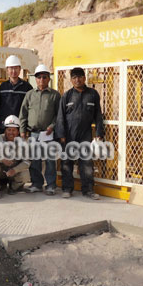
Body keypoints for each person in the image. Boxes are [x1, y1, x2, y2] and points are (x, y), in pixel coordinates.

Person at [55, 67, 104, 200]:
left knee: (87, 164)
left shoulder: (93, 94)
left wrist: (99, 133)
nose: (77, 80)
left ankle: (88, 190)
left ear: (84, 78)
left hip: (85, 135)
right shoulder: (67, 96)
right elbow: (60, 117)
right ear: (71, 80)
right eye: (74, 77)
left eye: (80, 77)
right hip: (69, 135)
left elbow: (98, 115)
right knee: (67, 163)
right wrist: (61, 135)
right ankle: (67, 189)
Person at [19, 64, 61, 195]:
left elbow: (58, 115)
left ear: (49, 79)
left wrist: (52, 126)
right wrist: (22, 130)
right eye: (39, 77)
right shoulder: (30, 95)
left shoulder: (55, 95)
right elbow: (23, 113)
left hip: (48, 133)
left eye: (44, 77)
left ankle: (50, 185)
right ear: (35, 79)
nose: (41, 80)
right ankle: (36, 184)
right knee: (35, 160)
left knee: (49, 160)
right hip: (34, 133)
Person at [0, 115, 30, 199]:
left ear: (18, 132)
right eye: (9, 130)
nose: (11, 132)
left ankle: (13, 187)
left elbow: (27, 162)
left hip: (13, 172)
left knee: (26, 174)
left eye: (14, 130)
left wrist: (15, 170)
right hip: (1, 171)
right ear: (5, 131)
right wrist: (2, 160)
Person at [0, 55, 32, 133]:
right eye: (11, 68)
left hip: (20, 127)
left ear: (20, 69)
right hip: (5, 126)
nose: (14, 71)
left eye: (16, 68)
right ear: (7, 70)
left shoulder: (27, 87)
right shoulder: (2, 87)